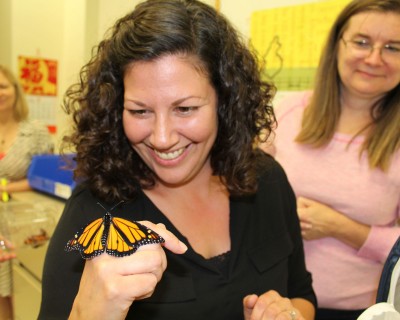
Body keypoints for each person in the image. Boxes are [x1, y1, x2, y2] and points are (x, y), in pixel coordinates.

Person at [39, 0, 317, 319]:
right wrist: (89, 313)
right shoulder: (94, 210)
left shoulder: (268, 179)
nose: (161, 137)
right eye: (140, 111)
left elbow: (302, 294)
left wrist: (289, 314)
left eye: (185, 109)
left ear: (224, 101)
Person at [259, 0, 400, 319]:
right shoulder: (286, 114)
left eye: (393, 47)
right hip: (277, 304)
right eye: (362, 42)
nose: (374, 58)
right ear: (337, 44)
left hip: (360, 310)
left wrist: (340, 227)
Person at [0, 65, 54, 320]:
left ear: (15, 90)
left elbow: (46, 177)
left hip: (19, 222)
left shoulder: (35, 132)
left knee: (21, 291)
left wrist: (5, 187)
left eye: (2, 86)